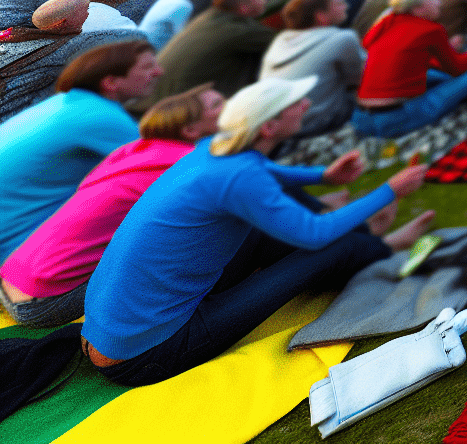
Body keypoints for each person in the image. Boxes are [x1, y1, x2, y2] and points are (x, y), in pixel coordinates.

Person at [81, 77, 433, 386]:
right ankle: (382, 244)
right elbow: (314, 235)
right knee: (329, 247)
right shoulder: (237, 175)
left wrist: (322, 177)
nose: (306, 105)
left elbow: (261, 168)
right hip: (147, 355)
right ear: (269, 127)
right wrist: (389, 190)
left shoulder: (213, 148)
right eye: (296, 103)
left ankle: (365, 235)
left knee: (272, 216)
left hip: (116, 333)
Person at [1, 85, 224, 327]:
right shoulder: (186, 162)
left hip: (12, 279)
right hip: (42, 301)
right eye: (217, 106)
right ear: (190, 129)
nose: (229, 106)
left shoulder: (132, 151)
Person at [0, 42, 163, 261]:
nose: (158, 71)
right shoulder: (101, 116)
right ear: (111, 82)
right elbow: (167, 172)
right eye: (147, 66)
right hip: (17, 250)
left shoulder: (66, 103)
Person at [354, 0, 467, 138]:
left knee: (440, 76)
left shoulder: (385, 23)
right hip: (400, 117)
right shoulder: (431, 30)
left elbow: (405, 59)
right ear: (417, 8)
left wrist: (445, 50)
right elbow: (457, 68)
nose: (439, 3)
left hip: (362, 118)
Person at [260, 0, 365, 141]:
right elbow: (362, 77)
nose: (346, 6)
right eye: (339, 3)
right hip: (316, 124)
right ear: (321, 16)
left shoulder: (281, 39)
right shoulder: (343, 38)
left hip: (278, 124)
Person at [148, 0, 275, 104]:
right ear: (244, 6)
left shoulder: (211, 18)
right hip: (172, 102)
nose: (265, 0)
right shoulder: (233, 30)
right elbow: (281, 40)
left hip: (156, 96)